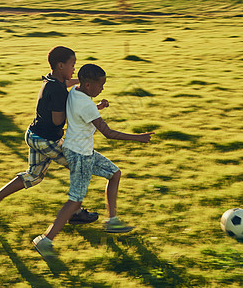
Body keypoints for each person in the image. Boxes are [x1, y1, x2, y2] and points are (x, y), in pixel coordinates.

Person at [33, 63, 154, 260]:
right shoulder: (86, 103)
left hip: (83, 151)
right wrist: (138, 137)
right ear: (88, 85)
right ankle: (45, 239)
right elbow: (108, 133)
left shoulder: (75, 91)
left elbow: (80, 113)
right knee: (75, 201)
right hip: (79, 155)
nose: (102, 89)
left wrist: (98, 107)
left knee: (114, 173)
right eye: (100, 85)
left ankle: (112, 220)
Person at [0, 46, 98, 226]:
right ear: (60, 65)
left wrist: (81, 82)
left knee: (33, 176)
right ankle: (75, 212)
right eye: (72, 65)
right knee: (79, 165)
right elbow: (58, 120)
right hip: (46, 140)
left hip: (33, 134)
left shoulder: (51, 79)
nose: (74, 68)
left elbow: (64, 84)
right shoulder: (58, 91)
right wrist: (84, 110)